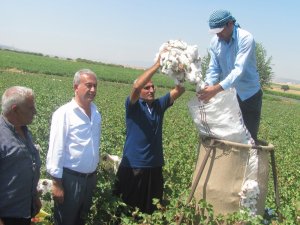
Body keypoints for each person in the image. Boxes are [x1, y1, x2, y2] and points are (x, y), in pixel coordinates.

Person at [113, 56, 185, 214]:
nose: (152, 90)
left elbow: (180, 89)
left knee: (151, 210)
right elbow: (137, 86)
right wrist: (158, 65)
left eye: (153, 87)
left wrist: (179, 71)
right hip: (134, 166)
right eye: (147, 88)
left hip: (154, 167)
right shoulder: (133, 106)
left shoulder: (159, 105)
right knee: (127, 210)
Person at [46, 69, 102, 225]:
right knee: (66, 221)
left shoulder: (96, 112)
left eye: (95, 86)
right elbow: (56, 148)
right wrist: (57, 184)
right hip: (70, 180)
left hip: (89, 179)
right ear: (76, 87)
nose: (93, 90)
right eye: (88, 85)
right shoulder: (64, 113)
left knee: (81, 221)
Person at [198, 9, 262, 142]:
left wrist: (215, 89)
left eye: (220, 31)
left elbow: (239, 71)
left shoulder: (245, 38)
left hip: (249, 95)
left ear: (230, 24)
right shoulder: (215, 42)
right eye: (215, 32)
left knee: (248, 139)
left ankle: (247, 161)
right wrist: (207, 86)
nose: (218, 35)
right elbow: (214, 69)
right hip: (229, 94)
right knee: (228, 134)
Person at [0, 86, 41, 225]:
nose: (35, 111)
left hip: (25, 209)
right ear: (15, 109)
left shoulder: (23, 129)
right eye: (30, 108)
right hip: (8, 215)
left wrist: (34, 196)